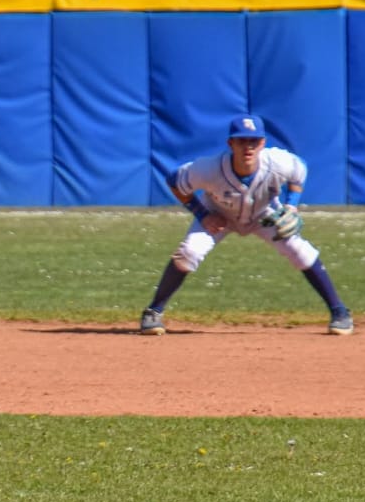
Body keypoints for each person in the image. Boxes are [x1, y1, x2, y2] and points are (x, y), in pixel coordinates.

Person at [139, 114, 353, 336]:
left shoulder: (278, 162)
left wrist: (291, 205)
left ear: (263, 143)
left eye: (254, 141)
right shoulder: (209, 168)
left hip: (264, 214)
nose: (248, 147)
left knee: (300, 251)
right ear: (230, 143)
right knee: (189, 252)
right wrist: (202, 214)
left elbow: (300, 171)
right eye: (241, 140)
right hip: (218, 214)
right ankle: (154, 312)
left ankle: (339, 312)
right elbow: (175, 181)